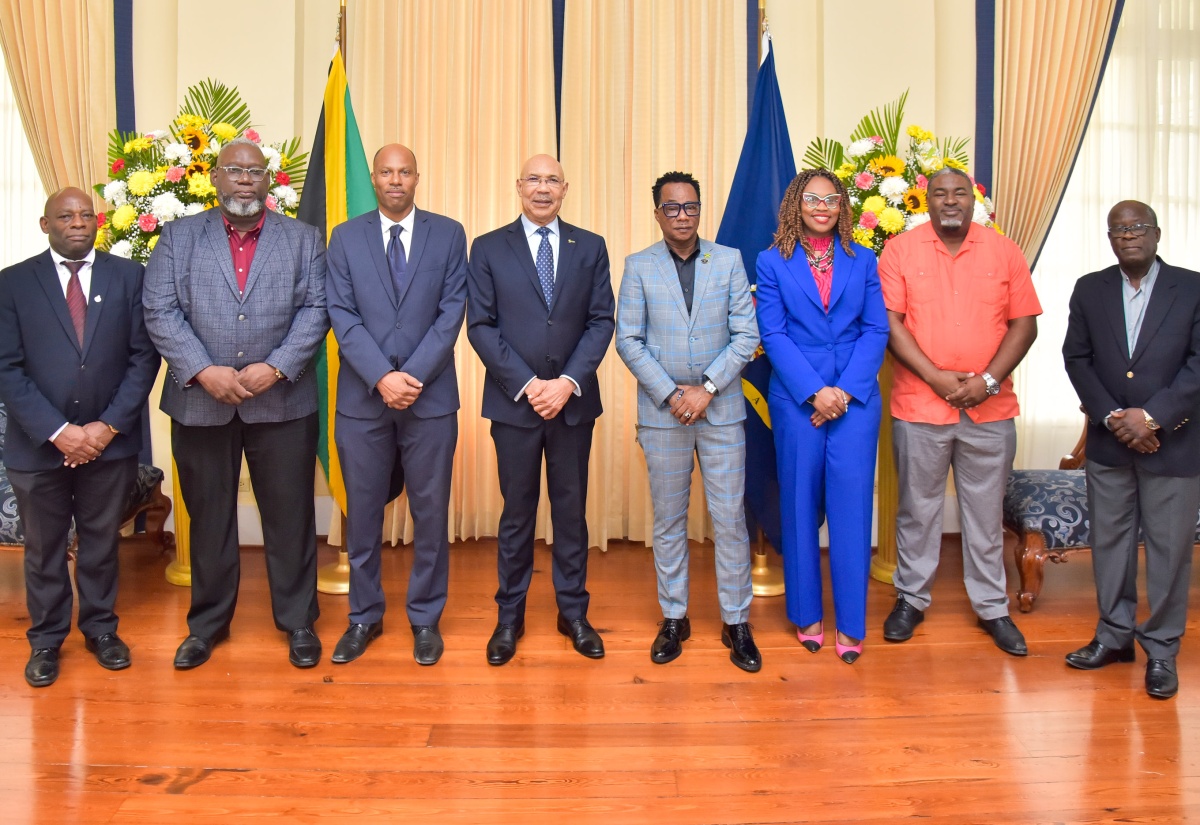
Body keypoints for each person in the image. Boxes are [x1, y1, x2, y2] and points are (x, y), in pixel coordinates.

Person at [144, 137, 329, 670]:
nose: (245, 179)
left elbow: (317, 309)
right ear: (216, 178)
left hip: (283, 404)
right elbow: (159, 310)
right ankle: (207, 626)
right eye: (234, 170)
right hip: (201, 404)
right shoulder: (179, 239)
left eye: (255, 171)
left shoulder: (302, 239)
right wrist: (203, 370)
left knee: (290, 517)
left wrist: (275, 367)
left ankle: (298, 623)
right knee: (208, 518)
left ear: (268, 180)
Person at [878, 166, 1041, 656]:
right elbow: (890, 323)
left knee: (985, 514)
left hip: (991, 409)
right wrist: (934, 376)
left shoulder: (1004, 250)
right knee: (917, 510)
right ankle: (911, 598)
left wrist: (987, 380)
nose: (950, 201)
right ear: (925, 201)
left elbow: (1025, 324)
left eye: (960, 193)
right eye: (940, 194)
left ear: (974, 200)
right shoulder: (900, 251)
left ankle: (992, 607)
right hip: (920, 404)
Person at [0, 187, 160, 687]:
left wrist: (104, 428)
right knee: (44, 549)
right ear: (45, 225)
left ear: (98, 222)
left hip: (108, 443)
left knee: (98, 544)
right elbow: (7, 368)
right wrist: (59, 432)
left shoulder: (129, 277)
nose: (77, 222)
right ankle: (46, 640)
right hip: (37, 446)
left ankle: (100, 630)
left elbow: (143, 358)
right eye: (65, 216)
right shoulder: (12, 283)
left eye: (86, 214)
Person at [466, 154, 615, 666]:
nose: (543, 188)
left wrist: (567, 382)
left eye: (552, 180)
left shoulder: (590, 247)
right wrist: (530, 384)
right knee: (517, 515)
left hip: (572, 405)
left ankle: (573, 612)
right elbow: (480, 326)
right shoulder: (487, 248)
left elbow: (601, 321)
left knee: (571, 514)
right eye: (534, 179)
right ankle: (510, 616)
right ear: (518, 187)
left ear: (566, 188)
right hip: (515, 406)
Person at [325, 144, 467, 666]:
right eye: (385, 172)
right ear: (375, 179)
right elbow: (341, 314)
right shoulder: (344, 237)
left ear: (417, 178)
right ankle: (364, 615)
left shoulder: (448, 234)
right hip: (364, 401)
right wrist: (383, 377)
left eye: (404, 171)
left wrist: (411, 376)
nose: (395, 180)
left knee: (430, 514)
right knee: (362, 515)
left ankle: (425, 618)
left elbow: (452, 312)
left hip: (430, 401)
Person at [615, 171, 762, 672]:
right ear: (657, 212)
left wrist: (709, 389)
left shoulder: (729, 261)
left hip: (720, 411)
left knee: (729, 520)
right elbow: (627, 340)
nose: (683, 215)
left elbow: (747, 333)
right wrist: (673, 393)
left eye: (691, 207)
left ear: (701, 210)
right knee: (670, 520)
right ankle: (674, 617)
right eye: (672, 207)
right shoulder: (638, 266)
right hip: (664, 414)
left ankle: (736, 620)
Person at [1062, 200, 1200, 699]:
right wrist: (1114, 417)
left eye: (1138, 227)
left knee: (1168, 552)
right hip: (1110, 441)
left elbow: (1197, 364)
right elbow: (1076, 358)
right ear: (1110, 238)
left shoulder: (1193, 287)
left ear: (1157, 234)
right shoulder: (1089, 288)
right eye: (1119, 229)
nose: (1129, 235)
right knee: (1111, 546)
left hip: (1174, 442)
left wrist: (1153, 416)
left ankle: (1161, 650)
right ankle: (1114, 637)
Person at [754, 169, 889, 665]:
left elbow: (875, 330)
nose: (822, 206)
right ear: (796, 203)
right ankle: (807, 613)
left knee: (853, 511)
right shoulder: (772, 262)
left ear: (842, 207)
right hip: (797, 402)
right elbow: (774, 334)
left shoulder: (864, 259)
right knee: (799, 506)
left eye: (830, 199)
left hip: (855, 403)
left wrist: (845, 393)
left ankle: (851, 623)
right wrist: (815, 392)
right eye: (812, 198)